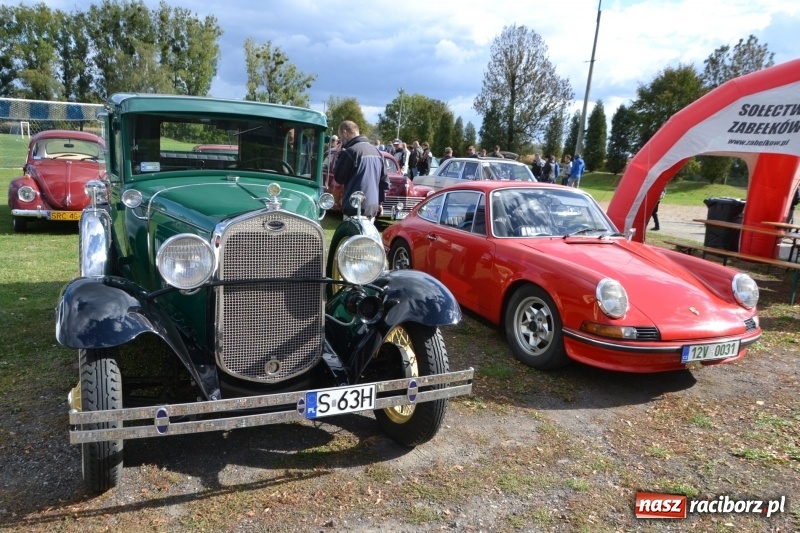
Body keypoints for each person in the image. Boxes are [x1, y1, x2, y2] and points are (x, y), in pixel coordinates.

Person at [334, 120, 387, 220]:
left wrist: (339, 155)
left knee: (352, 236)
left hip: (354, 207)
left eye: (340, 136)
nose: (341, 140)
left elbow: (339, 178)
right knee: (368, 235)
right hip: (372, 207)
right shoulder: (377, 152)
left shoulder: (350, 152)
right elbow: (384, 181)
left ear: (345, 133)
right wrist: (380, 203)